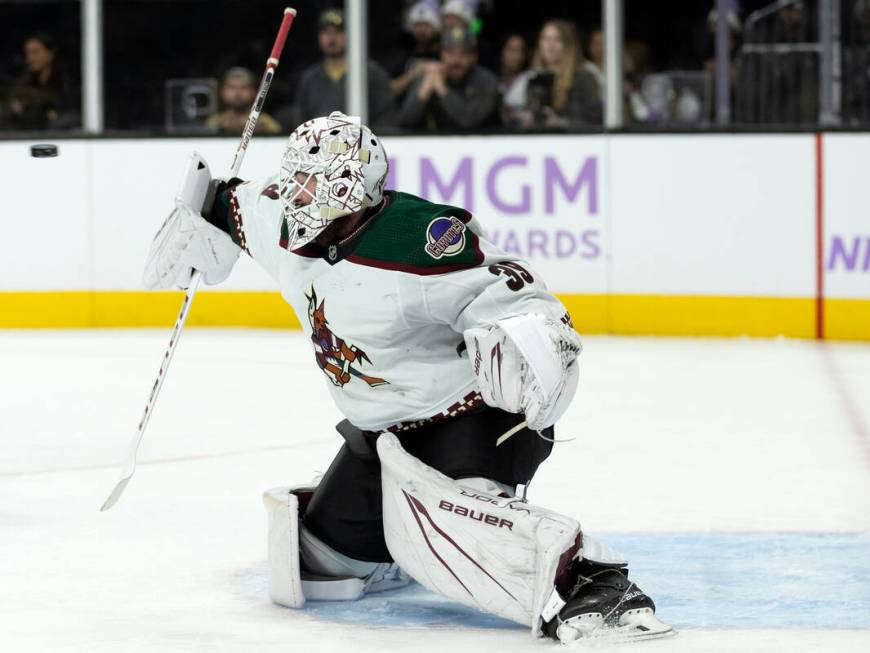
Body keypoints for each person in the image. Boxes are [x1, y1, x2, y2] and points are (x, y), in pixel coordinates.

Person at [141, 111, 673, 644]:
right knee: (320, 563)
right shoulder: (281, 218)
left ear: (347, 188)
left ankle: (594, 586)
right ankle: (403, 542)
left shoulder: (419, 240)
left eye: (310, 181)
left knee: (458, 523)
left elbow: (516, 291)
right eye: (294, 176)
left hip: (477, 421)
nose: (294, 193)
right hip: (383, 432)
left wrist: (528, 339)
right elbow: (229, 202)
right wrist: (201, 211)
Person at [293, 9, 396, 127]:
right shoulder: (310, 78)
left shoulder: (371, 73)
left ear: (352, 35)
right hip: (319, 143)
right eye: (326, 32)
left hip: (361, 143)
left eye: (338, 32)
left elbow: (386, 117)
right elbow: (301, 120)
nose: (331, 38)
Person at [502, 20, 602, 130]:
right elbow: (510, 110)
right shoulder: (533, 77)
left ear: (568, 45)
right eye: (546, 39)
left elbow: (595, 121)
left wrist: (562, 122)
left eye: (557, 39)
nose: (550, 45)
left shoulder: (583, 76)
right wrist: (524, 117)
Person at [398, 26, 498, 131]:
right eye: (450, 52)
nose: (456, 60)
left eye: (463, 53)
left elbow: (469, 122)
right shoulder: (432, 76)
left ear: (474, 57)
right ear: (441, 54)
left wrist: (442, 89)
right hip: (437, 143)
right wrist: (424, 88)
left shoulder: (486, 81)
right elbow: (405, 121)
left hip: (484, 144)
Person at [3, 33, 78, 130]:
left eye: (35, 52)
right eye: (27, 53)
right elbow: (14, 103)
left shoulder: (66, 81)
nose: (30, 59)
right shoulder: (26, 80)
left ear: (50, 54)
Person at [389, 1, 443, 101]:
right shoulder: (403, 56)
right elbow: (388, 90)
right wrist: (414, 73)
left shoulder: (446, 55)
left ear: (437, 26)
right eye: (417, 25)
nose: (421, 30)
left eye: (426, 24)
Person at [206, 67, 282, 135]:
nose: (238, 93)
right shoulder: (213, 123)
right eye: (232, 88)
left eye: (244, 88)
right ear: (223, 92)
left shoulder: (266, 123)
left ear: (254, 93)